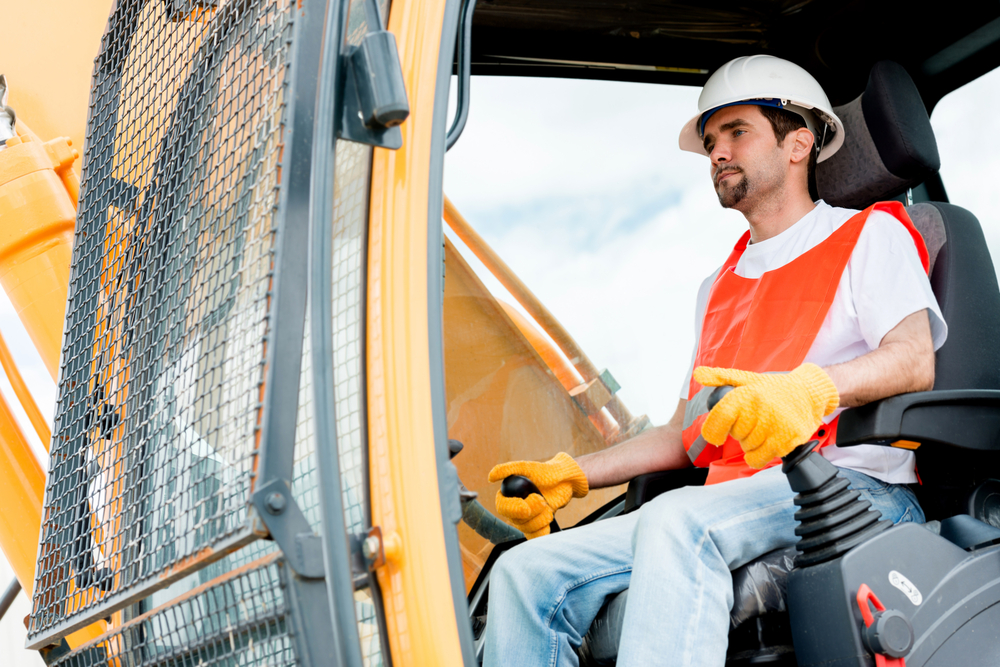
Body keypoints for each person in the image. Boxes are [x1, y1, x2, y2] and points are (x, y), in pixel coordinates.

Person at [481, 55, 947, 667]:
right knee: (523, 572)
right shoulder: (717, 287)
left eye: (737, 132)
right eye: (710, 142)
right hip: (734, 502)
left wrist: (807, 392)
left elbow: (914, 361)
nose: (717, 153)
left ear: (799, 144)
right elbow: (687, 434)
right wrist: (572, 474)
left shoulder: (869, 235)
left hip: (850, 490)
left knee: (676, 521)